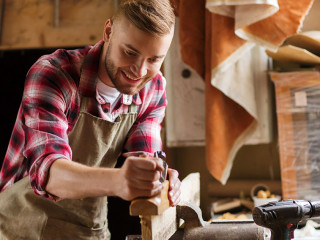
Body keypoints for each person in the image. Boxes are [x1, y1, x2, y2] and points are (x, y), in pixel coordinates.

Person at [0, 0, 181, 239]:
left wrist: (158, 177)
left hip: (88, 230)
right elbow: (48, 173)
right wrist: (119, 181)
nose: (139, 71)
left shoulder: (152, 88)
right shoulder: (53, 74)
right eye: (130, 52)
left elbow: (144, 157)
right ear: (108, 31)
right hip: (20, 227)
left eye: (154, 60)